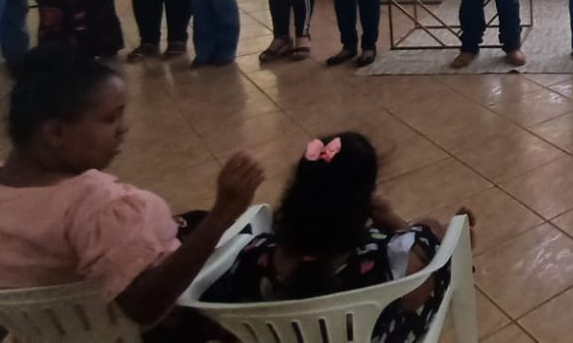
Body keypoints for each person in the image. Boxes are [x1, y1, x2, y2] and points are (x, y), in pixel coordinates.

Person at [0, 48, 264, 334]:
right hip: (129, 326)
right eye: (111, 118)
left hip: (43, 331)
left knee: (192, 221)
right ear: (55, 133)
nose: (123, 129)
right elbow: (144, 306)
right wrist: (222, 216)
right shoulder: (92, 206)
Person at [202, 132, 474, 343]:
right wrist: (392, 219)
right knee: (429, 233)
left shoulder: (253, 256)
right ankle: (461, 242)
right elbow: (421, 286)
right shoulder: (386, 262)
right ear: (362, 204)